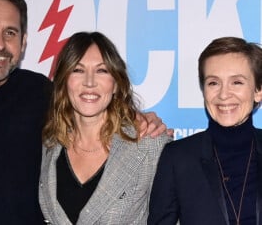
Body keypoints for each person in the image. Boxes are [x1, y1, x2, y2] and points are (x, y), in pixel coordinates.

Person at [0, 0, 169, 225]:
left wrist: (139, 118)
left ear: (23, 42)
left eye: (10, 33)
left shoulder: (37, 91)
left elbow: (89, 97)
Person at [39, 31, 172, 224]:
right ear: (63, 82)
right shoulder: (49, 145)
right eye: (78, 70)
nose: (90, 82)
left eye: (102, 70)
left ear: (116, 84)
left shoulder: (149, 145)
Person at [148, 36, 262, 225]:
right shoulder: (177, 158)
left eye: (237, 82)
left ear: (258, 90)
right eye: (213, 83)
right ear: (203, 90)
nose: (224, 94)